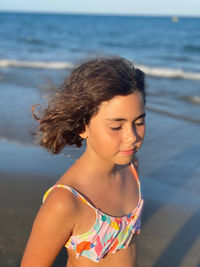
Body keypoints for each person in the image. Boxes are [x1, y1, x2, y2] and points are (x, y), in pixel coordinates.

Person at [21, 57, 146, 267]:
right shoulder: (65, 202)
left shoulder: (132, 167)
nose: (132, 136)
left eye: (139, 122)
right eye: (116, 127)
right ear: (82, 126)